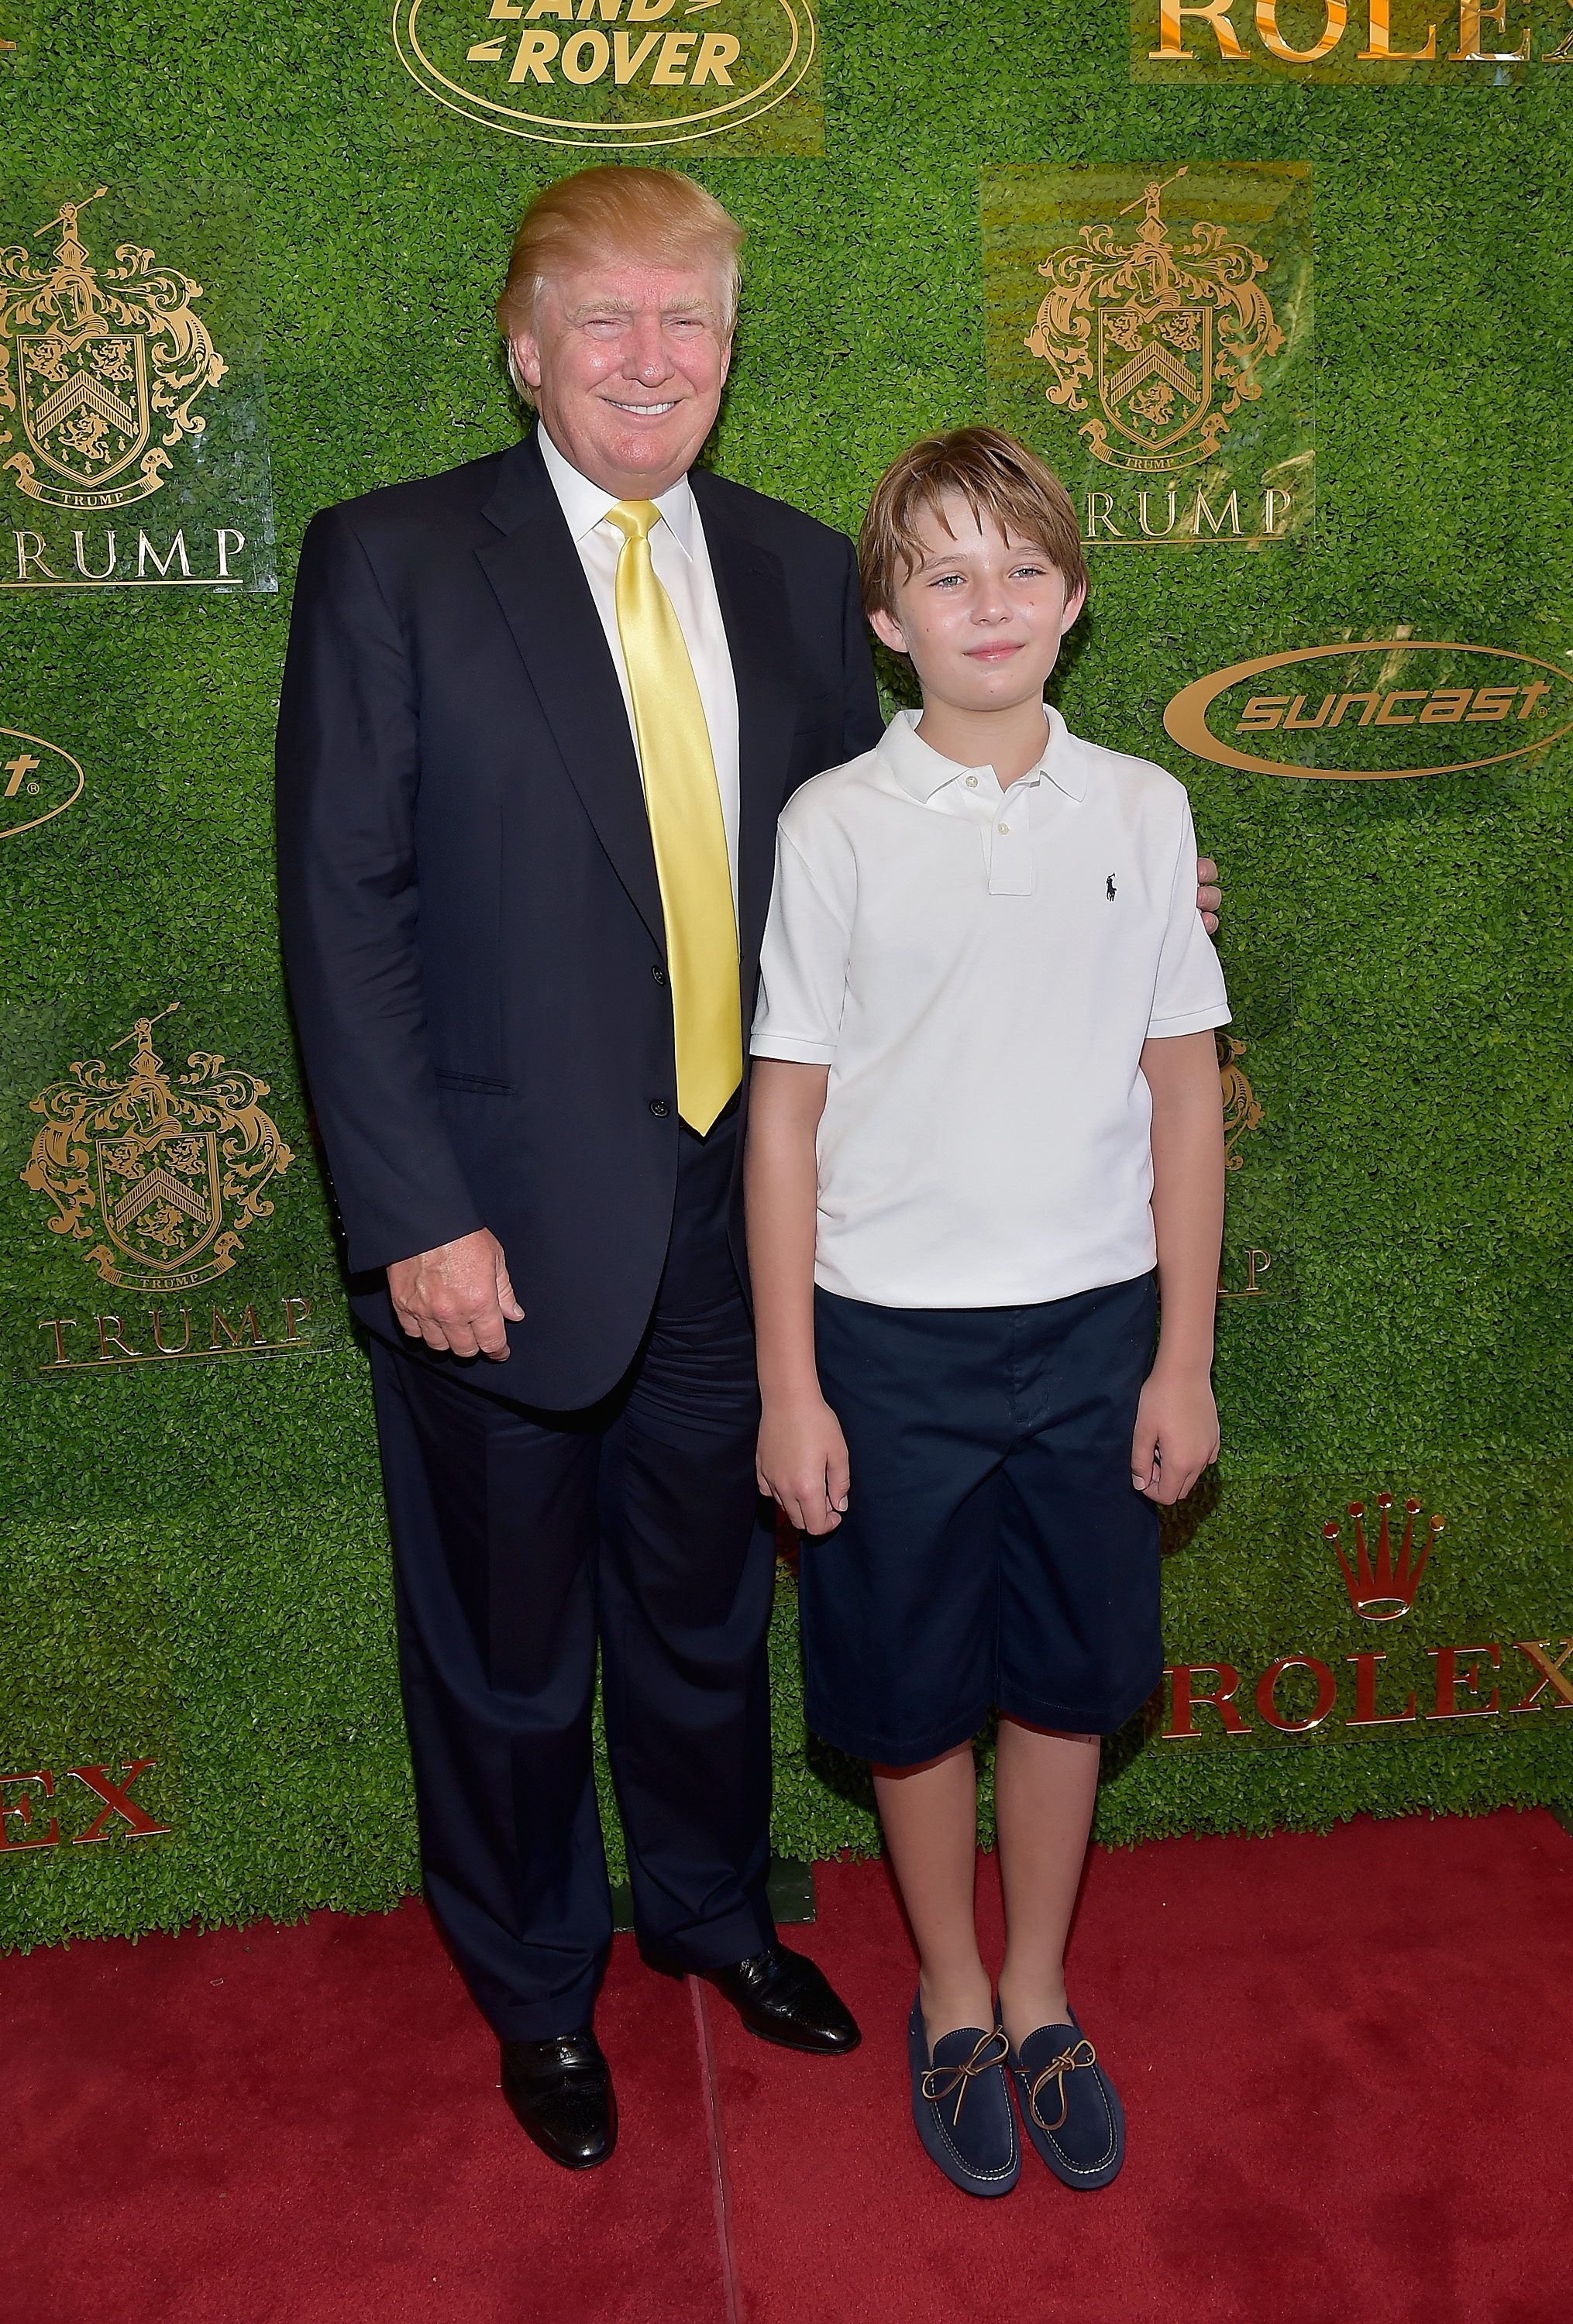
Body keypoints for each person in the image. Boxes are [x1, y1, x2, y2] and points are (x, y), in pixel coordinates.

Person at [276, 167, 1223, 2177]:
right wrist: (412, 1214)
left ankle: (708, 1912)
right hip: (496, 1237)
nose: (646, 357)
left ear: (726, 349)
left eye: (684, 320)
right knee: (507, 1648)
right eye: (600, 319)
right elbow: (340, 909)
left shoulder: (800, 572)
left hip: (748, 1223)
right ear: (520, 345)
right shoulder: (392, 561)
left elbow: (908, 834)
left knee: (707, 1619)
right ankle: (540, 1984)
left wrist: (1129, 892)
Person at [745, 426, 1229, 2199]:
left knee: (1067, 1686)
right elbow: (783, 1115)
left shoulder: (1143, 810)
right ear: (888, 619)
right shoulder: (834, 825)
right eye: (944, 573)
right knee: (910, 1692)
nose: (989, 601)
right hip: (885, 1341)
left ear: (1077, 598)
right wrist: (791, 1387)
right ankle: (949, 1992)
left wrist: (1179, 1352)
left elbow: (1183, 1094)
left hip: (1097, 1333)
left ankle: (1038, 1991)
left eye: (1021, 567)